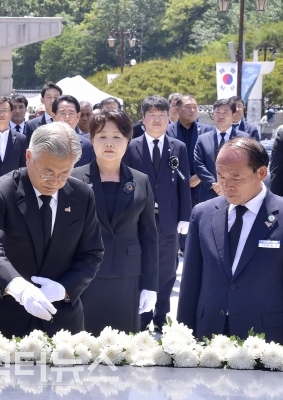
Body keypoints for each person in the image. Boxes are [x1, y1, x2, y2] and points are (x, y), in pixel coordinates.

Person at [177, 137, 283, 346]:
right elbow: (190, 284)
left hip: (265, 342)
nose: (226, 186)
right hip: (209, 336)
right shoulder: (202, 214)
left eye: (236, 177)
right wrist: (181, 342)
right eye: (221, 176)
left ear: (261, 173)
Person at [0, 122, 104, 337]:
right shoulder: (0, 192)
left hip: (60, 315)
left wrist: (64, 289)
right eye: (47, 172)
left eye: (64, 173)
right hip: (4, 313)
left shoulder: (82, 195)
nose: (55, 182)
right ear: (29, 157)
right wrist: (20, 289)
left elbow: (92, 252)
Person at [71, 110, 158, 334]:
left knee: (123, 351)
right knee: (84, 346)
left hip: (127, 276)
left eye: (117, 137)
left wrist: (150, 285)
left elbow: (149, 236)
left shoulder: (140, 181)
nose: (109, 143)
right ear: (91, 140)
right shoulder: (74, 178)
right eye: (102, 136)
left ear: (128, 140)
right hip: (85, 275)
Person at [123, 95, 191, 332]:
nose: (157, 120)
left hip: (169, 219)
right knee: (142, 265)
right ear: (143, 120)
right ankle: (142, 315)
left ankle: (161, 315)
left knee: (167, 268)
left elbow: (183, 183)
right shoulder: (131, 147)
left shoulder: (178, 147)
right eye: (151, 115)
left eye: (161, 115)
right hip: (140, 218)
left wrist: (185, 216)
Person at [194, 99, 249, 202]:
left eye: (225, 112)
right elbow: (199, 165)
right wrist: (215, 184)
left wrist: (228, 184)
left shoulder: (244, 139)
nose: (221, 116)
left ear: (233, 115)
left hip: (237, 192)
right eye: (217, 112)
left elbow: (247, 164)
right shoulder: (203, 139)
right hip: (209, 193)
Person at [166, 95, 214, 206]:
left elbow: (212, 157)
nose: (192, 110)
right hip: (175, 188)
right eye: (188, 107)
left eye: (195, 107)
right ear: (178, 109)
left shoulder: (208, 130)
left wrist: (200, 176)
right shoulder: (167, 131)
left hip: (202, 189)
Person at [51, 95, 94, 167]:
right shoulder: (43, 142)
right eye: (62, 113)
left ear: (78, 116)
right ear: (53, 116)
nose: (67, 118)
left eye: (71, 113)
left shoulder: (88, 146)